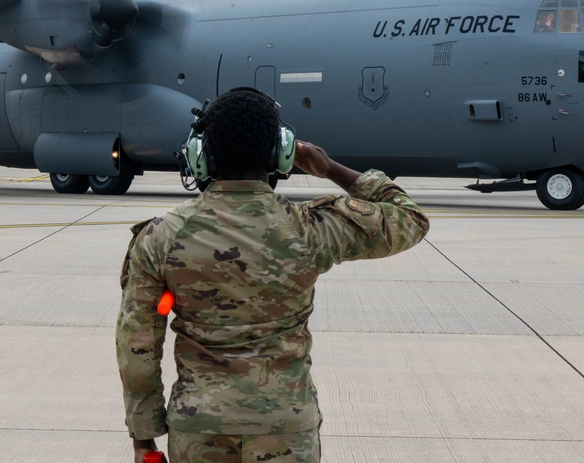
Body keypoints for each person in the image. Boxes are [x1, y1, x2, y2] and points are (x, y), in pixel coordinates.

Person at [116, 87, 430, 463]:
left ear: (202, 155)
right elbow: (409, 217)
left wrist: (144, 441)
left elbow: (137, 344)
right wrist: (329, 169)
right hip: (286, 429)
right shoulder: (311, 227)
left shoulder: (161, 236)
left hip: (200, 430)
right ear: (281, 153)